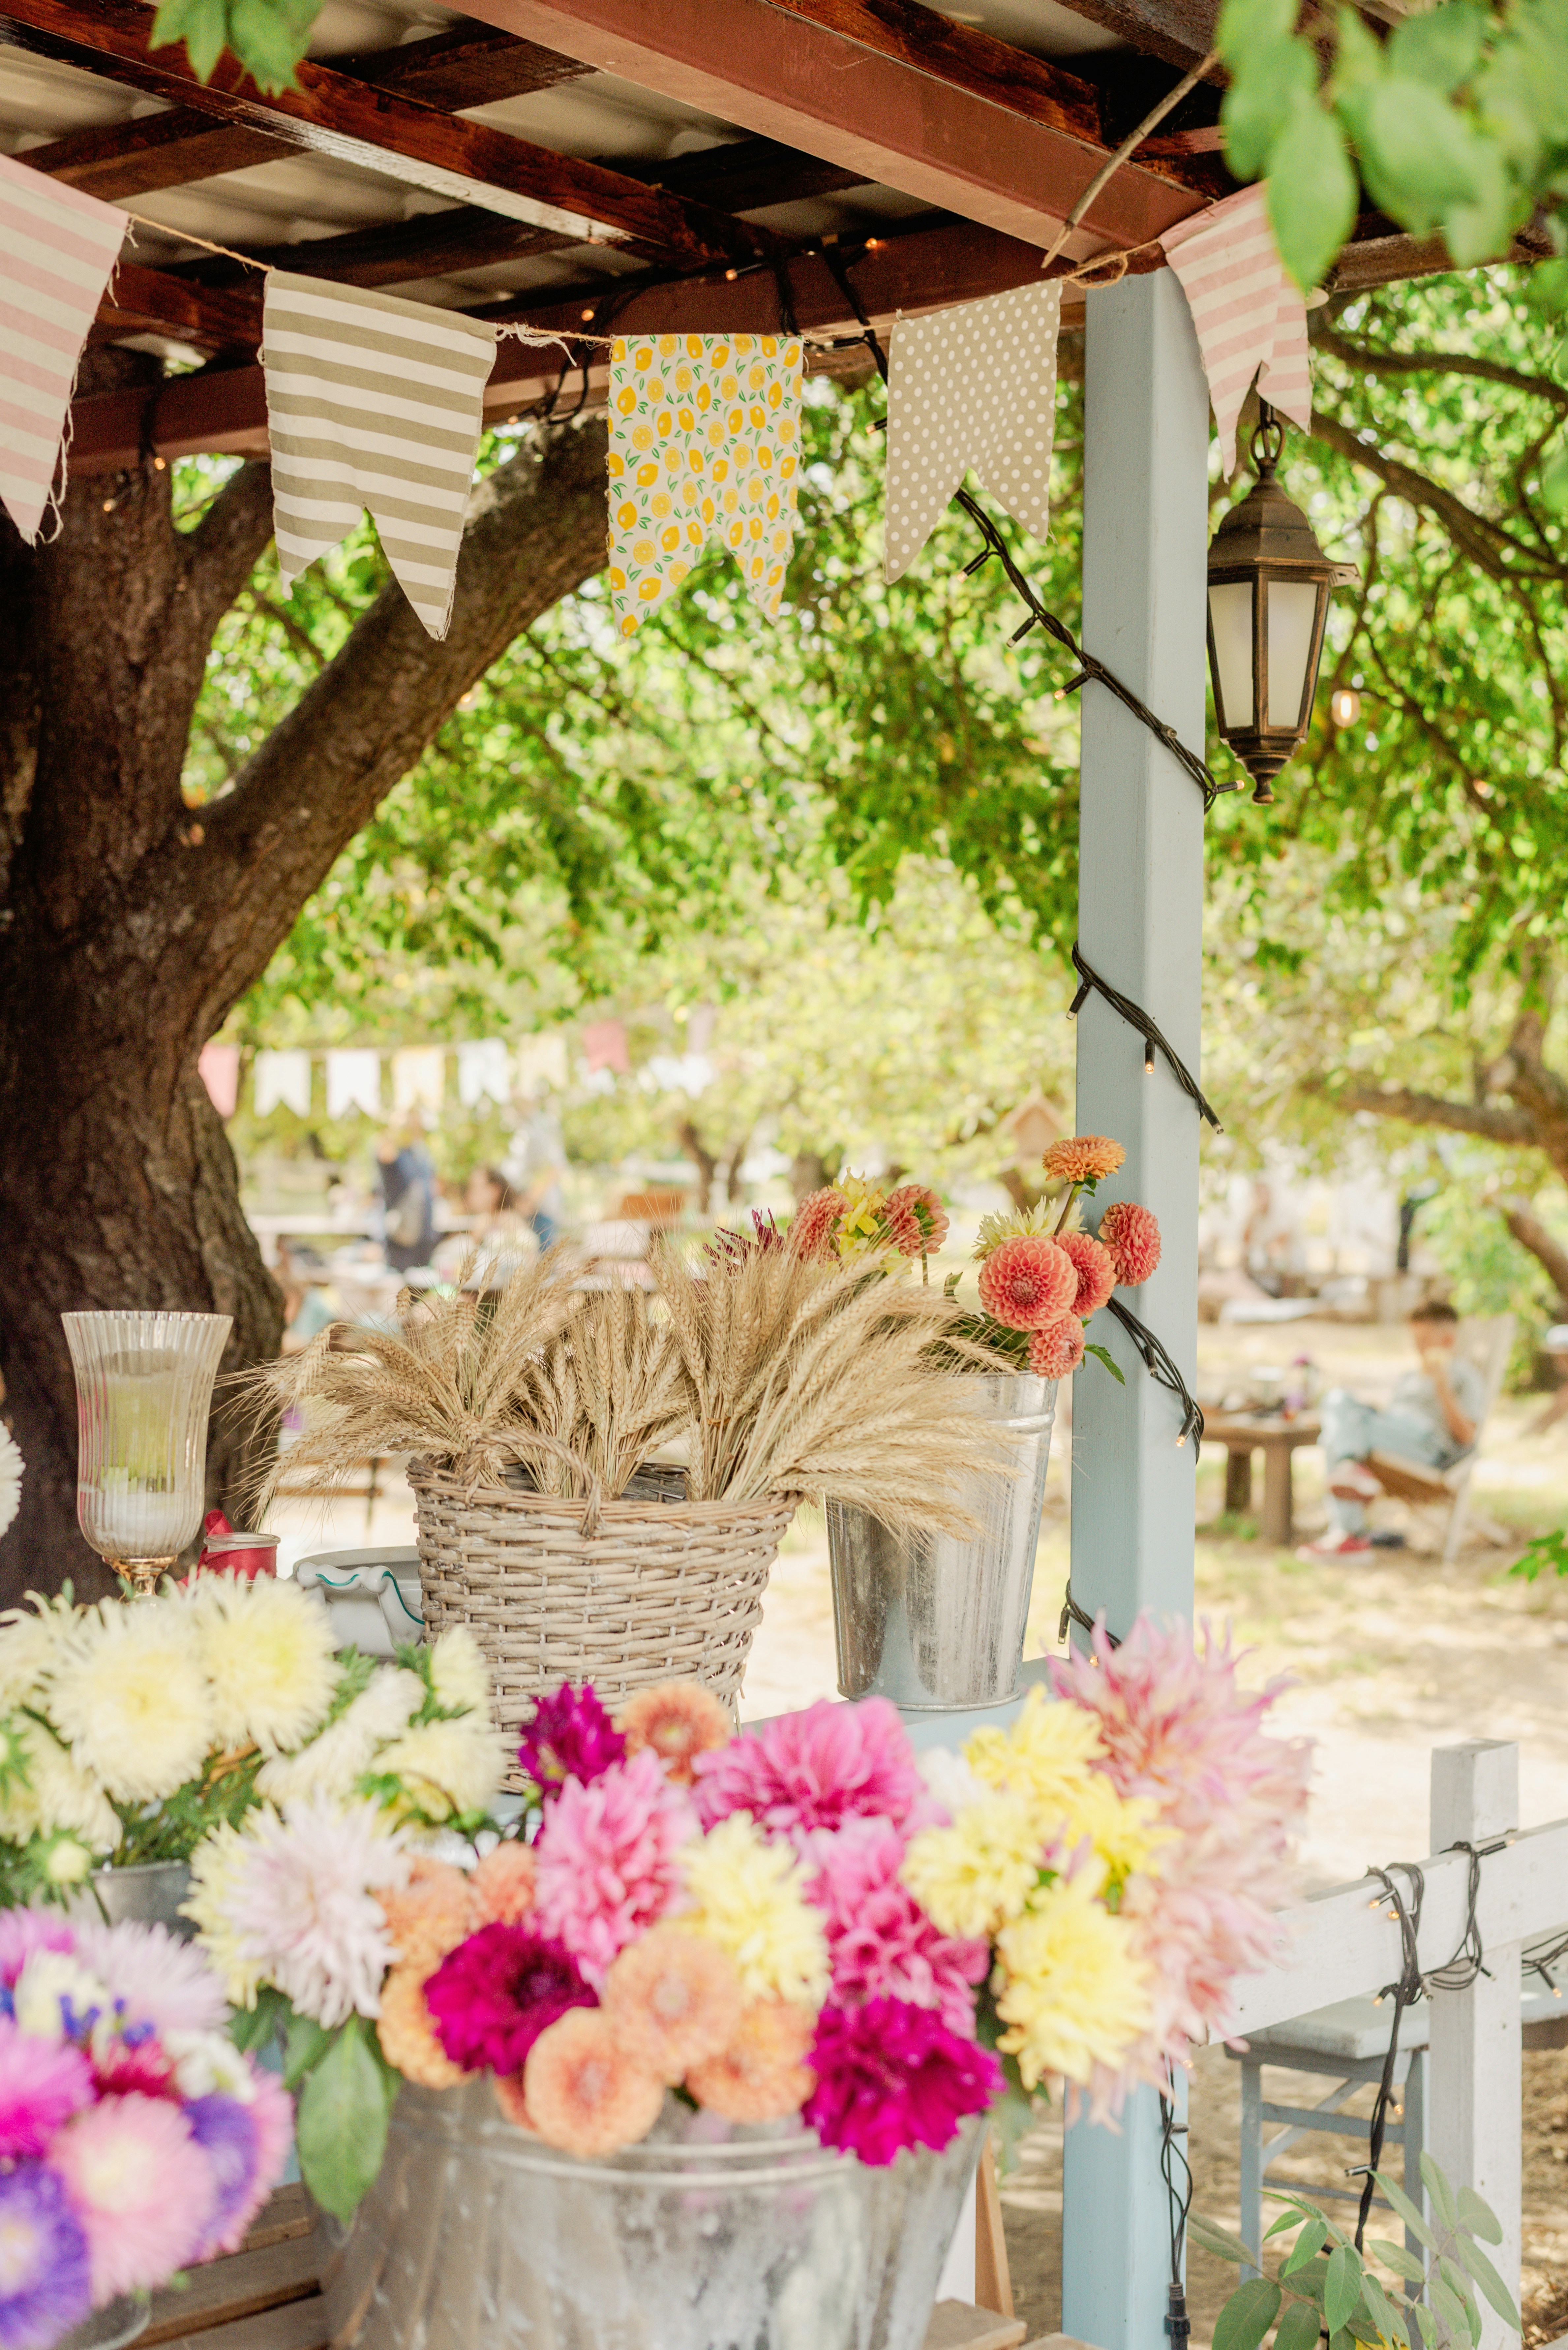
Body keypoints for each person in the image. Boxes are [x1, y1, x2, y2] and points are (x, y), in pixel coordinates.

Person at [1300, 1301, 1485, 1560]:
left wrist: (1443, 1388)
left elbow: (1467, 1436)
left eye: (1425, 1340)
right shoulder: (1410, 1377)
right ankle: (1349, 1477)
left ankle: (1348, 1533)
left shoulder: (1465, 1376)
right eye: (1416, 1340)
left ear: (1448, 1339)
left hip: (1428, 1447)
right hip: (1393, 1434)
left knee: (1338, 1432)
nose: (1419, 1347)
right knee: (1336, 1399)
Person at [376, 1119, 437, 1273]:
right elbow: (385, 1153)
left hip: (423, 1241)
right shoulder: (396, 1156)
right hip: (401, 1243)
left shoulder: (421, 1155)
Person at [507, 1094, 566, 1253]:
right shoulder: (522, 1128)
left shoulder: (543, 1125)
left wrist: (530, 1201)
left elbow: (555, 1168)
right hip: (525, 1208)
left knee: (544, 1269)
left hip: (540, 1210)